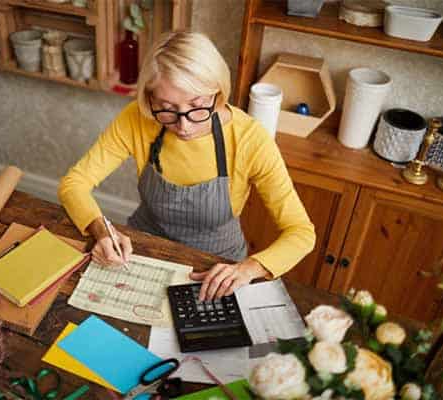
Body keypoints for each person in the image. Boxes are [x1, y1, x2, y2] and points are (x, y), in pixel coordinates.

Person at [58, 30, 315, 301]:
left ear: (218, 92)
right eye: (167, 109)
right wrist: (102, 230)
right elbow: (74, 184)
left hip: (217, 268)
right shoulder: (137, 119)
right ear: (149, 99)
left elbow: (301, 232)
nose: (184, 126)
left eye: (198, 106)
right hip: (143, 252)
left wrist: (250, 268)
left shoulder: (250, 139)